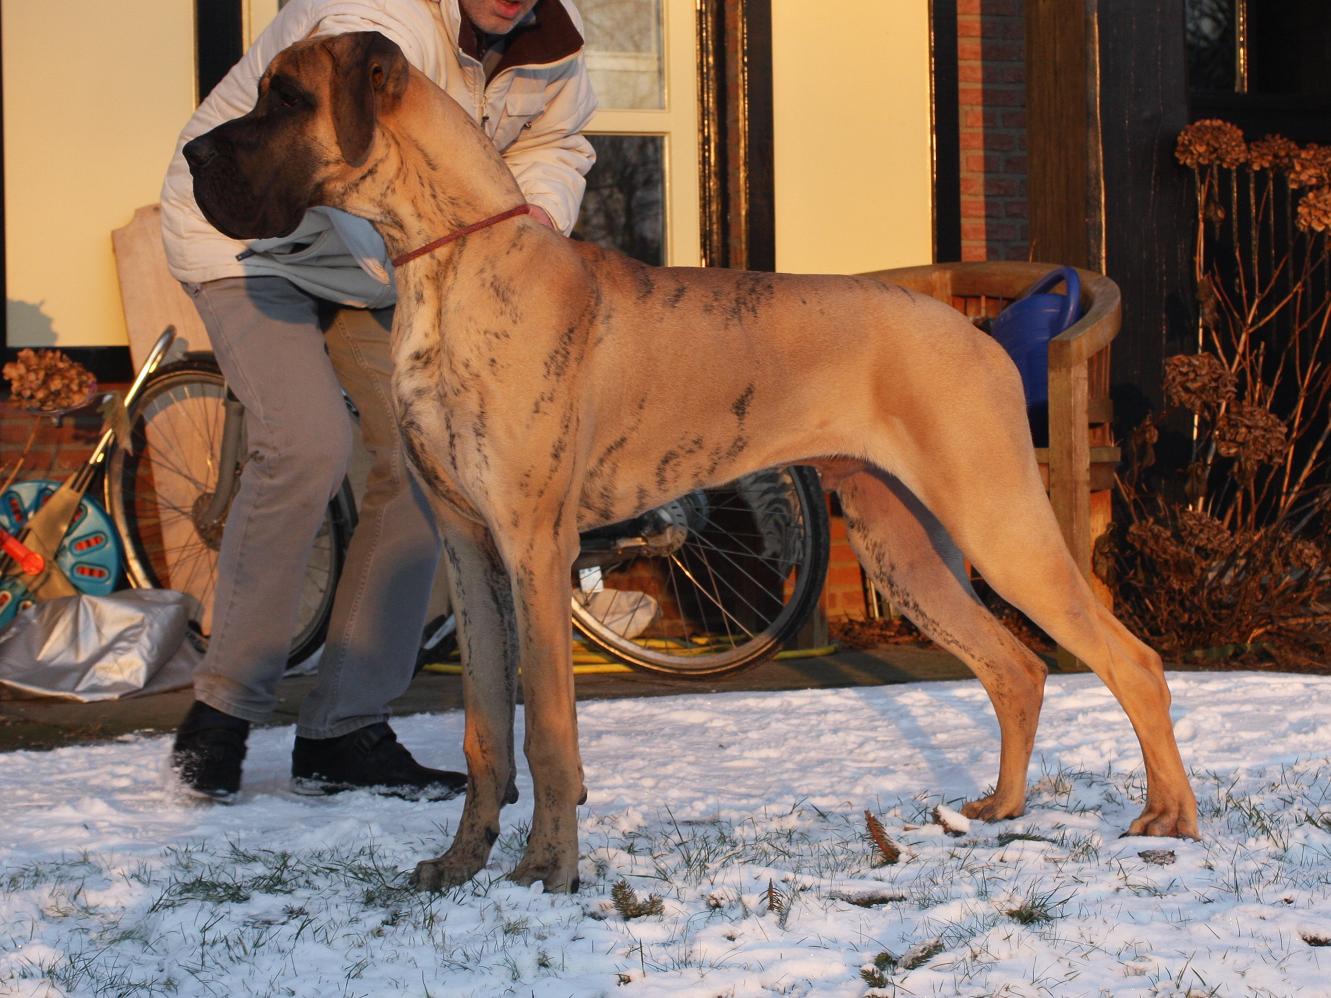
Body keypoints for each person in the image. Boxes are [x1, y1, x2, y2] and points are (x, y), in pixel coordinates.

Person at [159, 0, 597, 799]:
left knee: (427, 464)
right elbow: (353, 163)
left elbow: (555, 143)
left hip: (375, 264)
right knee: (308, 443)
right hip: (248, 238)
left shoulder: (551, 49)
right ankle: (223, 711)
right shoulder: (370, 21)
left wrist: (533, 215)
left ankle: (344, 728)